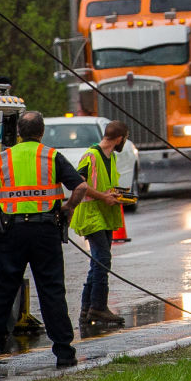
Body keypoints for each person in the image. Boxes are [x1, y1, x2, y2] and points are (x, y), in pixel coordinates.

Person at [0, 111, 106, 367]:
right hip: (45, 231)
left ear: (19, 133)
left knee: (2, 291)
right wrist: (67, 210)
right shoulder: (51, 156)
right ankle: (64, 353)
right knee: (51, 290)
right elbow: (79, 186)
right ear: (42, 132)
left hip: (10, 232)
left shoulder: (2, 159)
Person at [71, 121, 129, 328]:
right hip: (91, 215)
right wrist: (103, 197)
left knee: (97, 262)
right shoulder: (91, 155)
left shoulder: (111, 156)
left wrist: (115, 194)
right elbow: (80, 184)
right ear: (120, 138)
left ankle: (87, 308)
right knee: (103, 260)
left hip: (104, 215)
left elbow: (103, 185)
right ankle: (98, 306)